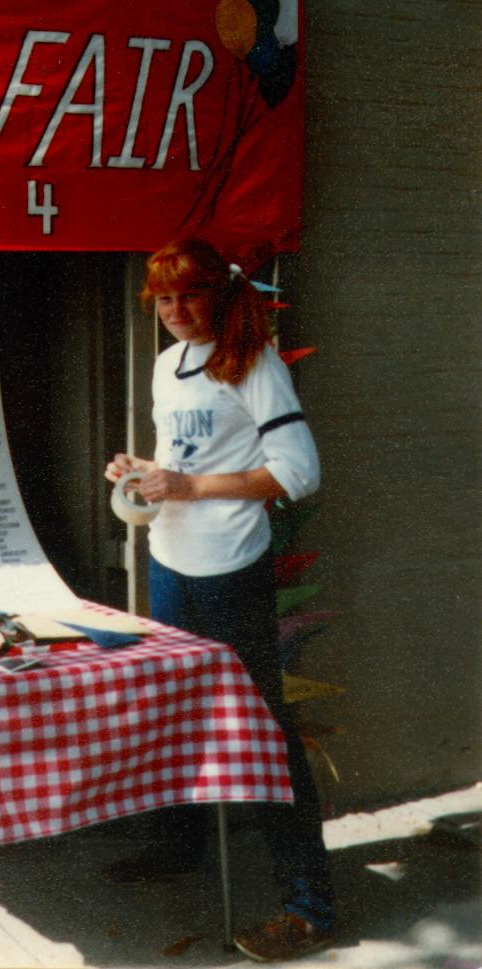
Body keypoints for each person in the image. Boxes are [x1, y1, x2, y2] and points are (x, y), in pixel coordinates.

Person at [103, 237, 336, 962]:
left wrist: (192, 487)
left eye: (188, 295)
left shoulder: (253, 364)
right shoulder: (167, 364)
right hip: (170, 558)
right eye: (164, 300)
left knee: (263, 727)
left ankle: (309, 905)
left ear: (220, 293)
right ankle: (179, 845)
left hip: (232, 567)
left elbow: (299, 471)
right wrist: (147, 471)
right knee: (174, 704)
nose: (175, 311)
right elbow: (188, 461)